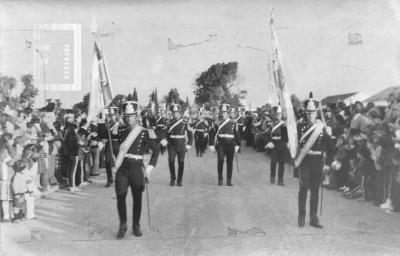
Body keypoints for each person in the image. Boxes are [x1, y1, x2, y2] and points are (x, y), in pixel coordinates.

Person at [112, 100, 160, 239]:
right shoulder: (118, 130)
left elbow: (156, 149)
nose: (128, 118)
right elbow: (115, 147)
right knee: (120, 196)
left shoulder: (144, 132)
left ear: (136, 116)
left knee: (137, 198)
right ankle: (122, 224)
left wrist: (150, 168)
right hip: (122, 167)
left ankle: (136, 225)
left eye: (131, 115)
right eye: (126, 116)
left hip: (136, 167)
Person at [294, 92, 334, 229]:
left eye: (313, 112)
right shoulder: (300, 127)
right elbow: (294, 145)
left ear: (317, 112)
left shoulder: (323, 128)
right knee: (303, 189)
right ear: (305, 112)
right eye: (308, 112)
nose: (310, 114)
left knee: (315, 191)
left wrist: (328, 165)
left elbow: (331, 148)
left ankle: (313, 218)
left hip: (317, 163)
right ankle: (301, 216)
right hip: (305, 161)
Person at [160, 104, 193, 187]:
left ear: (179, 113)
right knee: (171, 161)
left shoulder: (184, 122)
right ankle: (173, 178)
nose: (175, 114)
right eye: (173, 112)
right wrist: (164, 140)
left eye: (176, 112)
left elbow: (190, 134)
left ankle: (179, 180)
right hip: (171, 145)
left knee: (181, 162)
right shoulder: (169, 122)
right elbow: (165, 133)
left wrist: (189, 144)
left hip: (181, 145)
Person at [209, 103, 241, 186]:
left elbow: (237, 134)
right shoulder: (217, 122)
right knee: (220, 161)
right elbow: (212, 133)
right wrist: (211, 144)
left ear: (228, 113)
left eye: (225, 112)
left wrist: (238, 144)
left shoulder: (233, 123)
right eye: (222, 112)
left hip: (230, 145)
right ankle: (220, 178)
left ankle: (229, 180)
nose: (223, 114)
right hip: (220, 145)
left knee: (229, 163)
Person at [265, 105, 288, 186]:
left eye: (280, 114)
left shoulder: (284, 124)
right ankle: (272, 177)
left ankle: (280, 180)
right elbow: (268, 134)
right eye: (277, 114)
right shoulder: (272, 123)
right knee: (273, 162)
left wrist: (285, 127)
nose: (278, 115)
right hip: (274, 144)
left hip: (281, 144)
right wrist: (269, 142)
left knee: (281, 163)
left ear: (282, 115)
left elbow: (286, 137)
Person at [103, 106, 120, 188]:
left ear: (116, 115)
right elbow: (105, 134)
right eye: (110, 115)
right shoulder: (108, 125)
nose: (111, 116)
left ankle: (120, 179)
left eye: (113, 115)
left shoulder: (120, 124)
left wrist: (116, 127)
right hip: (109, 144)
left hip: (117, 143)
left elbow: (115, 134)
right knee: (108, 161)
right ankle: (109, 179)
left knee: (119, 162)